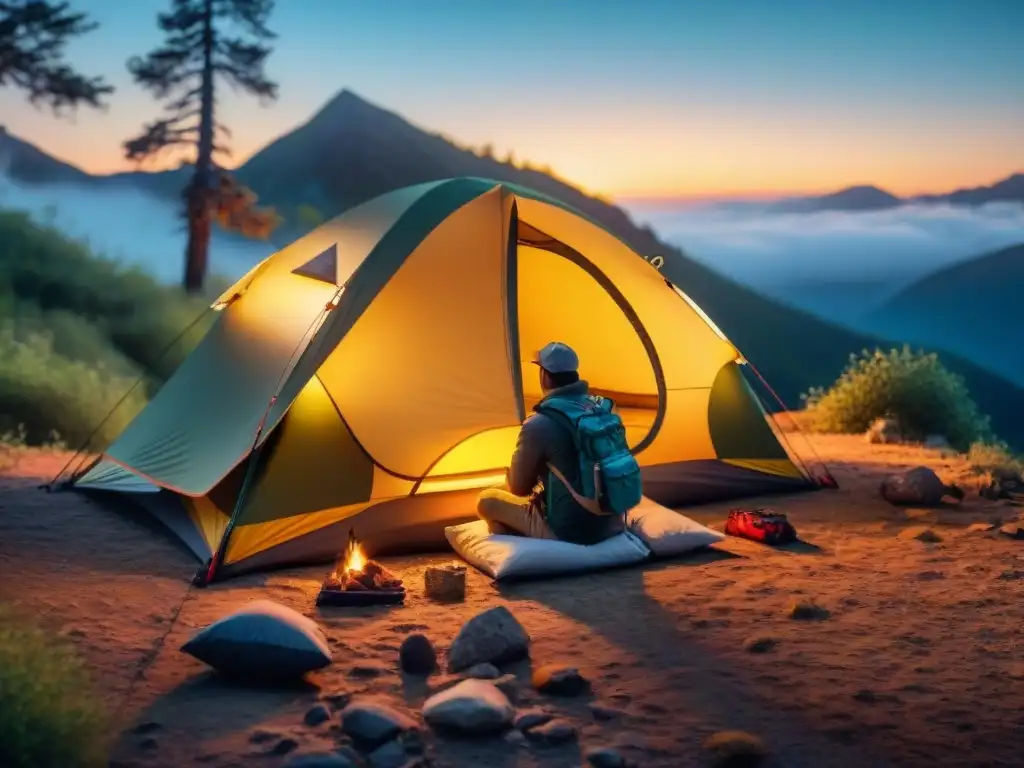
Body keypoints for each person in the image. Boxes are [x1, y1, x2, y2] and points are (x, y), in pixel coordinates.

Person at [476, 341, 628, 545]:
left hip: (567, 531)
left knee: (487, 501)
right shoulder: (605, 409)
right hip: (612, 523)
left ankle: (525, 539)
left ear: (544, 376)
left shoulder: (539, 423)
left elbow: (518, 488)